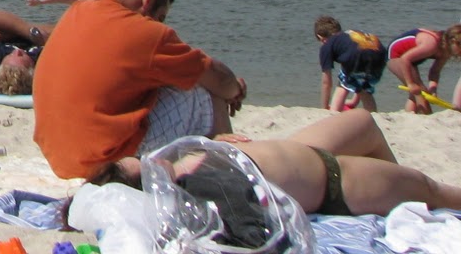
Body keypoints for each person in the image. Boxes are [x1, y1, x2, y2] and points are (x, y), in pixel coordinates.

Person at [32, 0, 247, 181]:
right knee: (205, 92)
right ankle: (227, 170)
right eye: (160, 16)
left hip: (59, 158)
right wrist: (235, 90)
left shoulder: (78, 11)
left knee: (181, 78)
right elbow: (213, 74)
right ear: (148, 0)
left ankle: (214, 162)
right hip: (103, 162)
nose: (160, 23)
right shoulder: (145, 31)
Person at [88, 109, 461, 221]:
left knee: (363, 122)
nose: (151, 162)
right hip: (335, 182)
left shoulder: (181, 164)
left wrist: (217, 143)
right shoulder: (201, 193)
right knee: (431, 189)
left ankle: (397, 196)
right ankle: (401, 198)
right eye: (145, 170)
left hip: (300, 152)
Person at [0, 7, 53, 96]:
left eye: (9, 55)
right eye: (21, 55)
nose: (18, 51)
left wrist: (27, 33)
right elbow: (65, 31)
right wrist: (37, 36)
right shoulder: (46, 66)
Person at [315, 16, 387, 111]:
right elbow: (359, 76)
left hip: (357, 56)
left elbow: (326, 83)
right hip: (380, 54)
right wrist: (354, 101)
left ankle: (334, 111)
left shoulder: (327, 45)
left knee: (343, 82)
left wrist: (324, 107)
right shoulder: (349, 35)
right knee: (365, 88)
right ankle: (372, 116)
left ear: (321, 37)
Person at [385, 25, 461, 113]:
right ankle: (426, 116)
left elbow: (434, 71)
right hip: (396, 55)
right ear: (453, 41)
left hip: (409, 59)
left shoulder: (446, 51)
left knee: (418, 92)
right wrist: (410, 83)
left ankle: (411, 116)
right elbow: (405, 59)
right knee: (419, 91)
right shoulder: (431, 44)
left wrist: (433, 89)